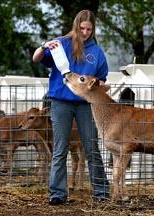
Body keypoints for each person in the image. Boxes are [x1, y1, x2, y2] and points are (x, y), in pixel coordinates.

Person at [32, 9, 109, 205]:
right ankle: (57, 193)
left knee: (91, 148)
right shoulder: (61, 44)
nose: (85, 32)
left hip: (85, 105)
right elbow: (36, 58)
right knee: (60, 148)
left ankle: (101, 192)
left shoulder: (97, 52)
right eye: (82, 28)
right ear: (76, 26)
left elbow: (102, 78)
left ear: (93, 30)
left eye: (89, 29)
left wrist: (97, 83)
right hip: (61, 102)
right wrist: (43, 47)